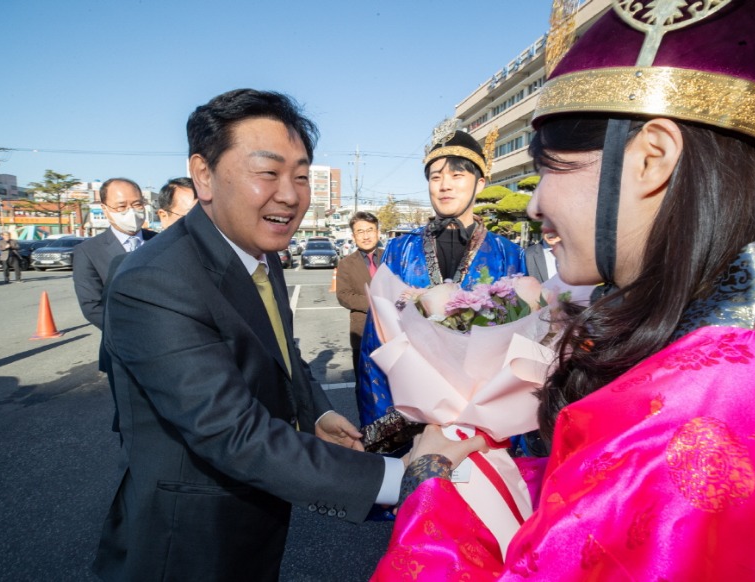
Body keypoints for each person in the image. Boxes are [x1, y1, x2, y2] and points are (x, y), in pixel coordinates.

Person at [372, 0, 755, 579]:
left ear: (651, 157)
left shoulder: (693, 406)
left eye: (554, 169)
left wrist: (431, 480)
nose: (536, 201)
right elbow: (608, 500)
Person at [91, 89, 476, 582]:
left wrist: (317, 411)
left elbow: (281, 353)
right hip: (186, 541)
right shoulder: (155, 280)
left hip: (256, 518)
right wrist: (404, 475)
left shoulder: (260, 252)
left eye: (300, 176)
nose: (291, 195)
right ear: (204, 175)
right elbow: (233, 432)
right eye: (268, 173)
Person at [357, 128, 526, 426]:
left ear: (480, 183)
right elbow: (376, 341)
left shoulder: (509, 253)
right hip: (410, 411)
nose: (444, 186)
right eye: (435, 177)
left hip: (483, 418)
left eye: (457, 176)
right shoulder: (399, 249)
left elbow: (521, 345)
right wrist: (384, 423)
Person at [73, 178, 157, 329]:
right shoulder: (88, 251)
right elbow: (92, 306)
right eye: (121, 206)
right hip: (124, 340)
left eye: (137, 204)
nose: (131, 211)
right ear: (105, 209)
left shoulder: (161, 241)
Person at [336, 211, 383, 386]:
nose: (366, 236)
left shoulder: (391, 257)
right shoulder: (345, 264)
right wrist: (374, 302)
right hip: (362, 332)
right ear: (353, 236)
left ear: (378, 232)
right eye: (360, 232)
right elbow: (343, 296)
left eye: (370, 230)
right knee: (365, 386)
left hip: (393, 331)